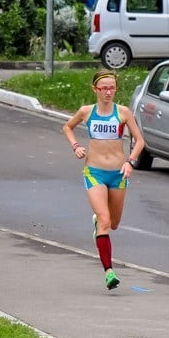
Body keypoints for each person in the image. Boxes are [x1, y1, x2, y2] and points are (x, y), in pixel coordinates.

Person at [61, 69, 146, 290]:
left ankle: (99, 223)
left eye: (112, 88)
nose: (108, 92)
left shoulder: (124, 113)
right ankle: (109, 272)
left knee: (114, 223)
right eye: (104, 88)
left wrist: (130, 161)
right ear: (95, 89)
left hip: (118, 173)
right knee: (105, 220)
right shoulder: (86, 112)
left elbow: (139, 141)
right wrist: (76, 146)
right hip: (94, 171)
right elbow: (67, 127)